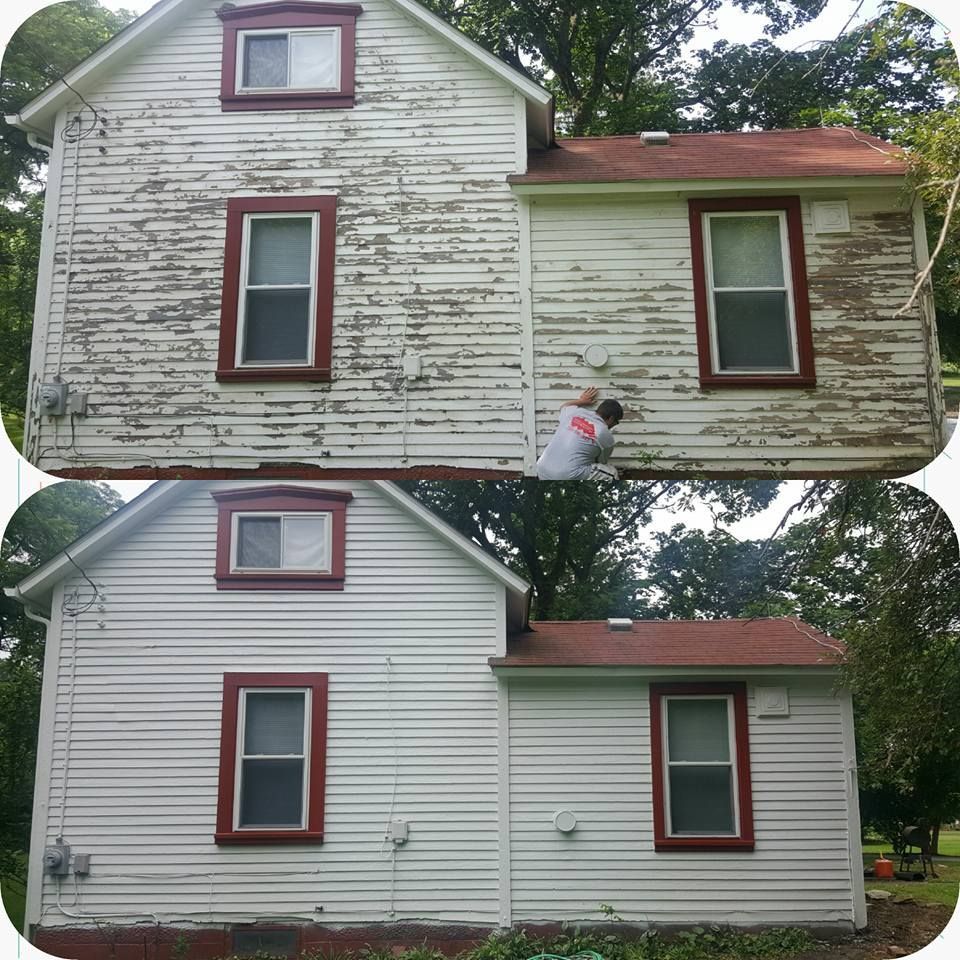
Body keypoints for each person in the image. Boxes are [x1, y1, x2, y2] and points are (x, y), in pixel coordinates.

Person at [536, 387, 624, 480]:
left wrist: (582, 401)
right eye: (616, 422)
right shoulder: (605, 435)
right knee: (612, 474)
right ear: (611, 418)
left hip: (541, 470)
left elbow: (564, 406)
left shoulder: (574, 412)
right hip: (566, 475)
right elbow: (601, 462)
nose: (615, 425)